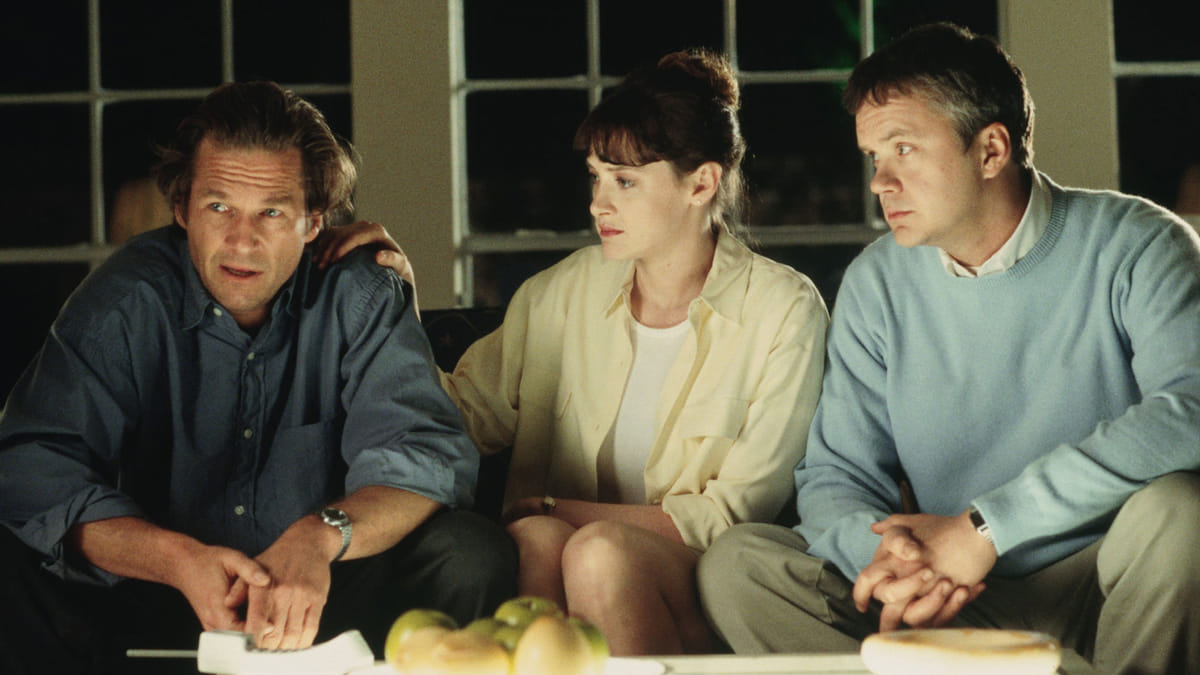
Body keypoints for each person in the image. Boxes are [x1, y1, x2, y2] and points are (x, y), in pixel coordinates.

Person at [697, 23, 1200, 674]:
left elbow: (1189, 410)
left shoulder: (1139, 243)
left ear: (991, 149)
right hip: (945, 598)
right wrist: (894, 562)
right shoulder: (876, 283)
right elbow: (837, 476)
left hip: (1106, 584)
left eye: (903, 149)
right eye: (873, 156)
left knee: (1180, 513)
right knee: (738, 566)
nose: (880, 181)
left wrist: (986, 527)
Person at [319, 49, 829, 655]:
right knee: (539, 538)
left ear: (701, 183)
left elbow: (729, 516)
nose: (598, 203)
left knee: (596, 549)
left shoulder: (784, 310)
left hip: (704, 591)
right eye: (596, 176)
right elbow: (456, 415)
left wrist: (559, 508)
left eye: (625, 182)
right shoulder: (560, 293)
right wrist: (392, 306)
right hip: (559, 559)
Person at [0, 81, 516, 675]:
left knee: (470, 552)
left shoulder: (360, 293)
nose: (241, 241)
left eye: (271, 212)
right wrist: (174, 557)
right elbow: (30, 468)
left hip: (327, 592)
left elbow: (424, 456)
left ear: (313, 220)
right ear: (182, 210)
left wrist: (319, 537)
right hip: (157, 592)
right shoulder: (124, 299)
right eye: (219, 207)